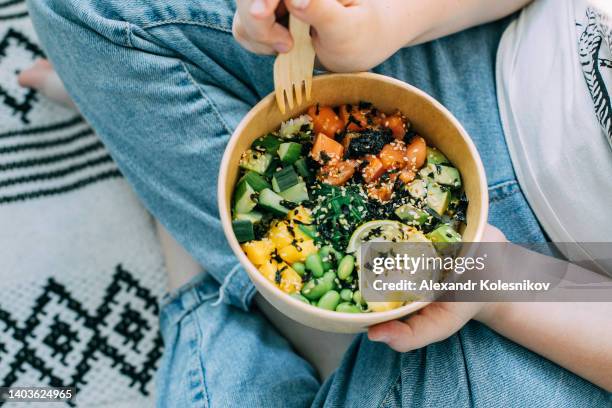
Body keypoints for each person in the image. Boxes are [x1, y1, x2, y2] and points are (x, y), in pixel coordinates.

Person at [20, 0, 612, 406]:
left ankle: (187, 253)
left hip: (568, 301)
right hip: (480, 67)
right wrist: (389, 17)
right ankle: (166, 169)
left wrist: (497, 282)